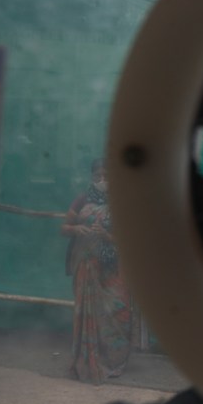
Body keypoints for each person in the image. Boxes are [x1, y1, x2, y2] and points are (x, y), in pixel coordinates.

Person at [61, 158, 133, 382]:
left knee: (118, 310)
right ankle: (91, 357)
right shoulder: (82, 199)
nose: (102, 181)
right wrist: (77, 228)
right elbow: (64, 228)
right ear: (91, 178)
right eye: (97, 177)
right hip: (87, 263)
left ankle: (115, 360)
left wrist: (105, 235)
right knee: (92, 311)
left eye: (106, 176)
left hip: (113, 266)